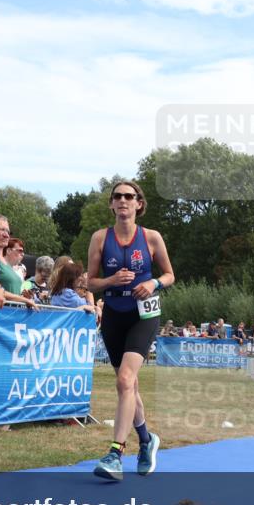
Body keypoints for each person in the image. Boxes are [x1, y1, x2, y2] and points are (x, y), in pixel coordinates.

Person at [87, 181, 174, 481]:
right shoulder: (100, 238)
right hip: (113, 315)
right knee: (129, 387)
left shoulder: (151, 238)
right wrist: (111, 281)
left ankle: (115, 454)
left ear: (139, 203)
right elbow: (90, 283)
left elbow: (170, 274)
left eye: (129, 196)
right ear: (111, 204)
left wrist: (153, 283)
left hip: (144, 314)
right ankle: (147, 441)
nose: (123, 201)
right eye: (117, 197)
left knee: (125, 380)